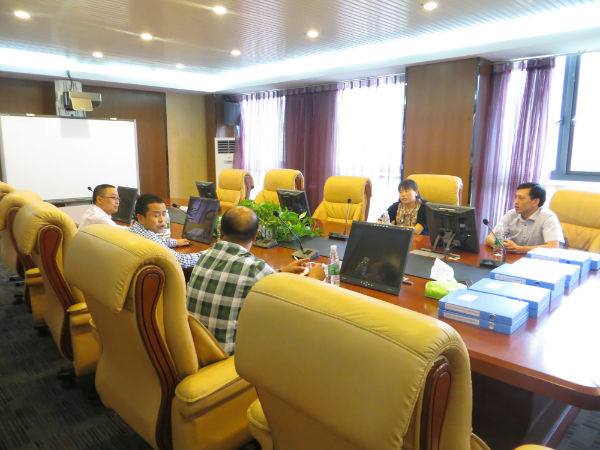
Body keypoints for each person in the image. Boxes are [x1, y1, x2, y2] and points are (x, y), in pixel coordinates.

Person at [186, 205, 325, 355]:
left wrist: (281, 272)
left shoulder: (204, 255)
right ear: (255, 236)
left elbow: (250, 278)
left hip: (194, 349)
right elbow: (296, 305)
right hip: (225, 357)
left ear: (221, 231)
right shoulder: (254, 268)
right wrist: (314, 279)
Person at [485, 182, 564, 254]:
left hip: (539, 260)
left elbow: (553, 246)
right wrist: (501, 245)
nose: (516, 202)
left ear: (535, 202)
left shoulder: (548, 217)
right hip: (515, 258)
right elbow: (489, 238)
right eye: (516, 197)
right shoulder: (511, 214)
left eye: (521, 198)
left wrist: (519, 249)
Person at [129, 193, 202, 268]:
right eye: (156, 216)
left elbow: (158, 240)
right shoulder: (151, 241)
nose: (162, 220)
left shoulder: (134, 229)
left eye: (164, 214)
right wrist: (206, 254)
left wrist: (175, 242)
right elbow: (182, 261)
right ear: (141, 218)